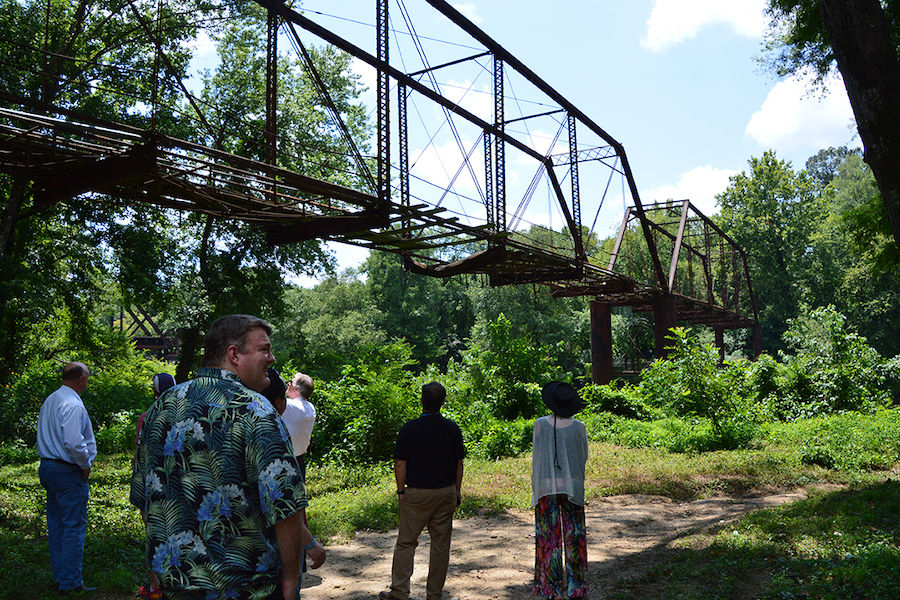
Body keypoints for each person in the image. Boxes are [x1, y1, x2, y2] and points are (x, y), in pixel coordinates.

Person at [130, 314, 325, 600]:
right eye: (264, 350)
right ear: (234, 354)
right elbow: (285, 506)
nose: (271, 358)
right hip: (247, 588)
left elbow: (145, 498)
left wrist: (159, 575)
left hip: (178, 587)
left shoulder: (160, 408)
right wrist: (291, 579)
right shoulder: (256, 410)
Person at [380, 382, 466, 600]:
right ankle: (434, 594)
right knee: (440, 546)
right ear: (442, 403)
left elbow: (400, 463)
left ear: (422, 401)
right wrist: (457, 491)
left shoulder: (410, 428)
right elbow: (459, 464)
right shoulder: (452, 428)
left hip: (416, 494)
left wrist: (401, 491)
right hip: (445, 492)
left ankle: (399, 591)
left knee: (406, 543)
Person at [36, 361, 97, 595]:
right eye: (87, 377)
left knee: (57, 525)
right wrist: (85, 464)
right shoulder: (72, 404)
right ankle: (70, 582)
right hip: (67, 470)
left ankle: (61, 578)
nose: (88, 381)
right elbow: (73, 442)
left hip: (49, 467)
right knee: (73, 526)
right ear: (80, 379)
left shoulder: (51, 399)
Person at [531, 381, 589, 600]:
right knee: (575, 536)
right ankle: (577, 587)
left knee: (549, 539)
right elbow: (583, 456)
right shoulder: (579, 426)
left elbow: (538, 457)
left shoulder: (540, 425)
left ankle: (551, 589)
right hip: (573, 486)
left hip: (546, 487)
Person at [135, 373, 176, 600]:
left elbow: (139, 456)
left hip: (153, 487)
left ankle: (155, 588)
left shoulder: (147, 417)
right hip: (177, 487)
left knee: (154, 535)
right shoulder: (185, 413)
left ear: (154, 392)